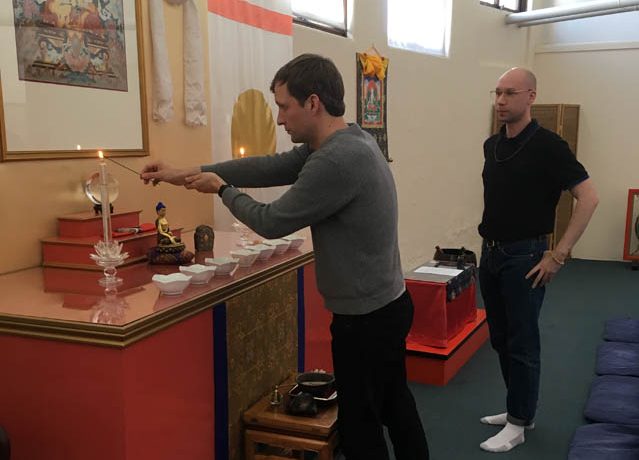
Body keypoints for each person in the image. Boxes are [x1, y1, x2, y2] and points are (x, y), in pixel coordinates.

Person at [140, 53, 429, 460]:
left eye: (283, 106)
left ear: (312, 103)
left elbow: (272, 220)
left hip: (366, 319)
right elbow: (265, 167)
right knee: (394, 404)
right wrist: (182, 173)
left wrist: (222, 190)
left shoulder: (336, 160)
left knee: (363, 424)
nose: (279, 119)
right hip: (383, 306)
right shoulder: (346, 139)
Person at [478, 67, 599, 453]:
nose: (500, 101)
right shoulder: (491, 145)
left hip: (525, 256)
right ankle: (520, 410)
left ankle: (518, 423)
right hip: (490, 253)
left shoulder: (550, 146)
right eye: (497, 93)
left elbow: (589, 198)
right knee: (499, 338)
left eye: (509, 93)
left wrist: (558, 255)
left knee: (523, 342)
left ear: (530, 96)